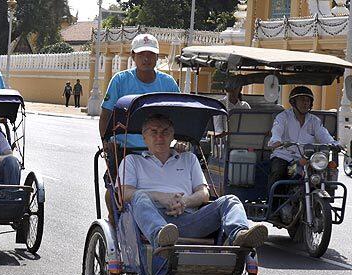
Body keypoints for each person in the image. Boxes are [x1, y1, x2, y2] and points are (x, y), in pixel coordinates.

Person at [118, 114, 268, 250]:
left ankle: (239, 235)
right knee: (139, 196)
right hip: (148, 219)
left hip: (187, 218)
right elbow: (124, 193)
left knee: (231, 200)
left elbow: (203, 193)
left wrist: (185, 201)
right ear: (144, 136)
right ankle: (160, 237)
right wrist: (160, 196)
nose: (160, 137)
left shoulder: (189, 159)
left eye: (165, 132)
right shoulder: (132, 161)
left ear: (172, 136)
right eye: (154, 132)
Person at [99, 34, 179, 139]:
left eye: (151, 54)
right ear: (133, 56)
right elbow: (106, 114)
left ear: (157, 56)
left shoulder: (169, 83)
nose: (146, 58)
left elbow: (178, 116)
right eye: (141, 54)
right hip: (124, 150)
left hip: (160, 149)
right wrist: (106, 141)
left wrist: (179, 141)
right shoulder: (119, 80)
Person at [267, 86, 340, 197]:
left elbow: (323, 134)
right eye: (302, 100)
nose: (305, 103)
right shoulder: (283, 117)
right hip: (284, 156)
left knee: (324, 174)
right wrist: (276, 141)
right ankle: (273, 208)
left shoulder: (314, 120)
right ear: (293, 102)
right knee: (278, 172)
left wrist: (334, 143)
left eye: (308, 100)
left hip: (308, 158)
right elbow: (277, 130)